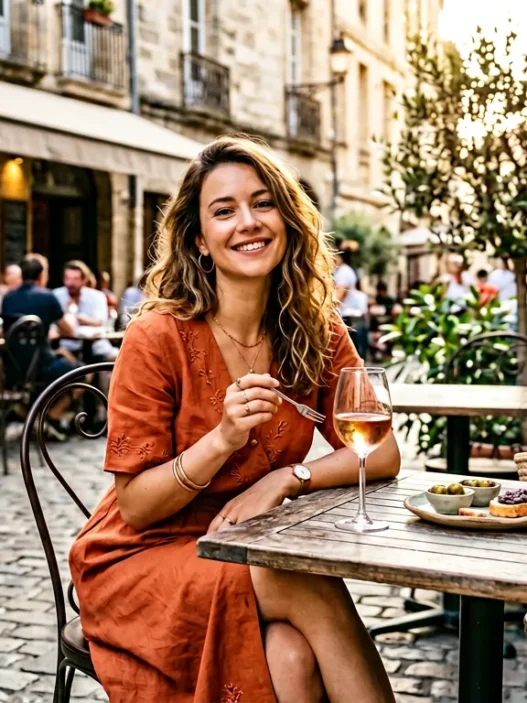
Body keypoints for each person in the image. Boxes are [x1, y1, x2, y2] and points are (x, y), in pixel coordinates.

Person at [69, 136, 400, 703]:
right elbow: (136, 506)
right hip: (144, 556)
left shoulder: (313, 329)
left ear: (287, 217)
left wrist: (286, 478)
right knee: (304, 576)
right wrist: (223, 438)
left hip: (244, 547)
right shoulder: (157, 336)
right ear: (200, 240)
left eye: (263, 202)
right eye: (224, 211)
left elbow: (382, 452)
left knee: (292, 656)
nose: (247, 222)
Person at [1, 257, 77, 438]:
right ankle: (49, 418)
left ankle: (27, 415)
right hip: (42, 365)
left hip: (13, 368)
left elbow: (6, 332)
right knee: (81, 373)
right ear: (41, 276)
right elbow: (68, 330)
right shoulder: (47, 297)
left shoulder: (8, 298)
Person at [53, 261, 119, 361]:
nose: (71, 283)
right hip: (66, 346)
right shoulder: (56, 295)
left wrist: (78, 318)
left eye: (75, 279)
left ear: (84, 280)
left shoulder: (97, 296)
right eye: (68, 279)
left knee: (116, 358)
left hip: (96, 346)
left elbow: (101, 322)